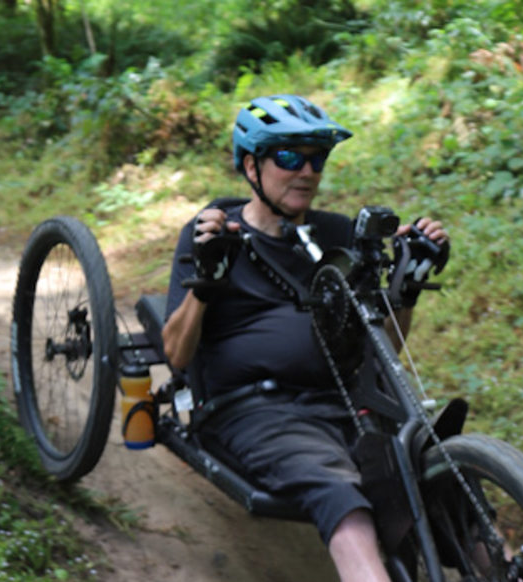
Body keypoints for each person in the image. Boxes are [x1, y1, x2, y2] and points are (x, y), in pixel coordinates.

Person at [161, 94, 448, 582]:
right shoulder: (212, 231)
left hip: (344, 405)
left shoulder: (339, 236)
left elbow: (383, 348)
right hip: (257, 411)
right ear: (250, 165)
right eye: (289, 157)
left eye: (317, 157)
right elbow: (175, 353)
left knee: (439, 478)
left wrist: (406, 287)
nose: (308, 171)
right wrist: (206, 284)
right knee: (341, 493)